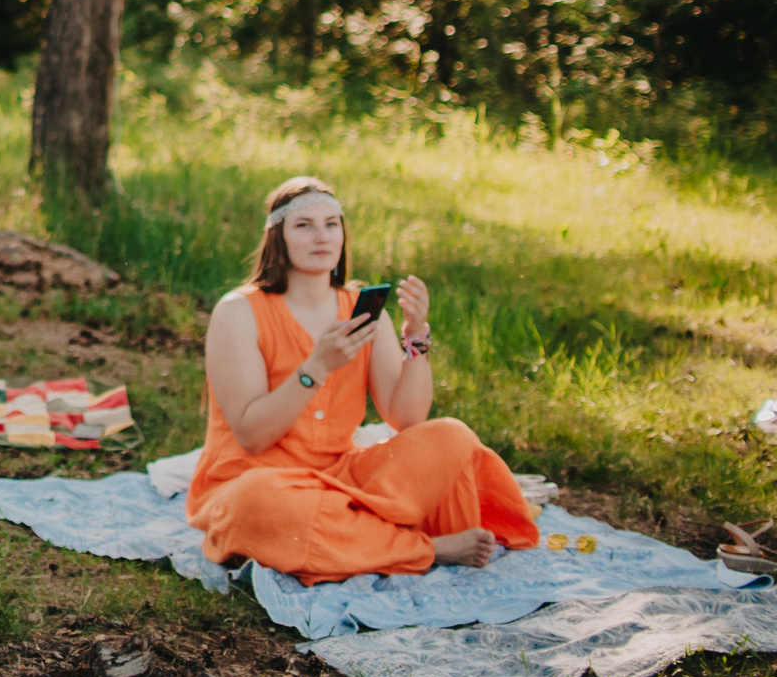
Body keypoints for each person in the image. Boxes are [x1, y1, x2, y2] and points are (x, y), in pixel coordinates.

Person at [185, 176, 539, 583]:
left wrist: (416, 336)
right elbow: (252, 436)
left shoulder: (361, 307)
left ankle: (359, 535)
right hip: (258, 482)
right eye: (304, 226)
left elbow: (406, 418)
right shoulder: (238, 311)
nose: (321, 236)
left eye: (332, 224)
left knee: (451, 436)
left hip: (344, 476)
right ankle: (424, 548)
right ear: (276, 238)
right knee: (259, 504)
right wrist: (316, 368)